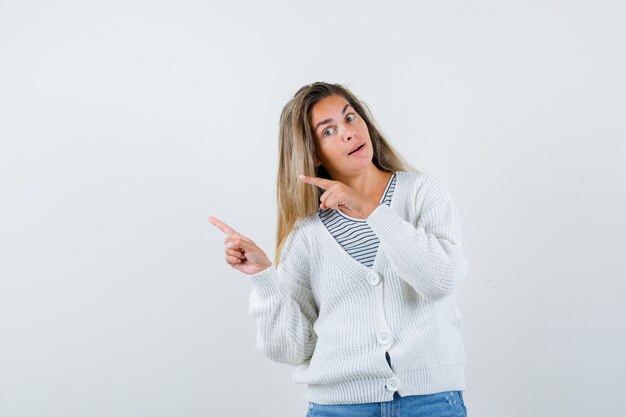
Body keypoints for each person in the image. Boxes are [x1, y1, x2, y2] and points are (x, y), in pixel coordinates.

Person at [208, 81, 469, 417]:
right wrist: (264, 278)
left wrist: (372, 211)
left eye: (349, 118)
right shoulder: (306, 235)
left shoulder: (422, 192)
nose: (347, 132)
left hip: (431, 402)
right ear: (312, 152)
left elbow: (441, 280)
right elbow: (292, 349)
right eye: (328, 131)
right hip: (338, 407)